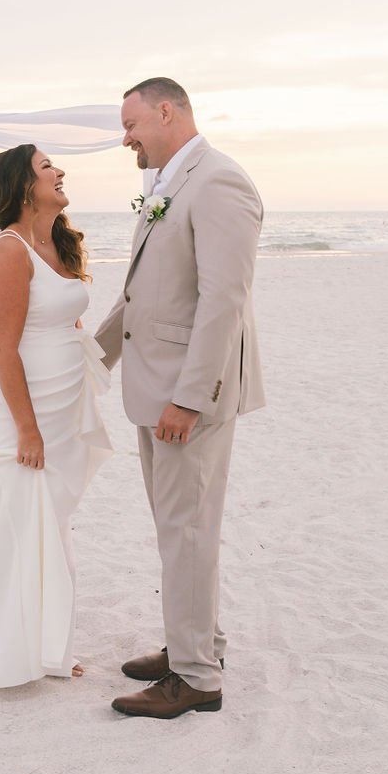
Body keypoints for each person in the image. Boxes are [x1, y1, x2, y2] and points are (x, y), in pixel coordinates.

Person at [96, 78, 264, 719]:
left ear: (167, 111)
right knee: (182, 530)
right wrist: (90, 362)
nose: (126, 136)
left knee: (186, 531)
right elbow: (140, 294)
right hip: (154, 386)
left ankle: (195, 679)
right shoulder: (168, 183)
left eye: (132, 122)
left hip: (185, 398)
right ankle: (196, 646)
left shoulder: (218, 181)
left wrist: (190, 399)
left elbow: (225, 301)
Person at [0, 145, 112, 700]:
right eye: (47, 167)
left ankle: (46, 646)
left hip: (62, 404)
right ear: (22, 186)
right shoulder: (8, 252)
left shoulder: (53, 244)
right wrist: (28, 430)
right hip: (21, 409)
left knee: (51, 524)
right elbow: (2, 347)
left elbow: (64, 318)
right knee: (19, 523)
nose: (60, 171)